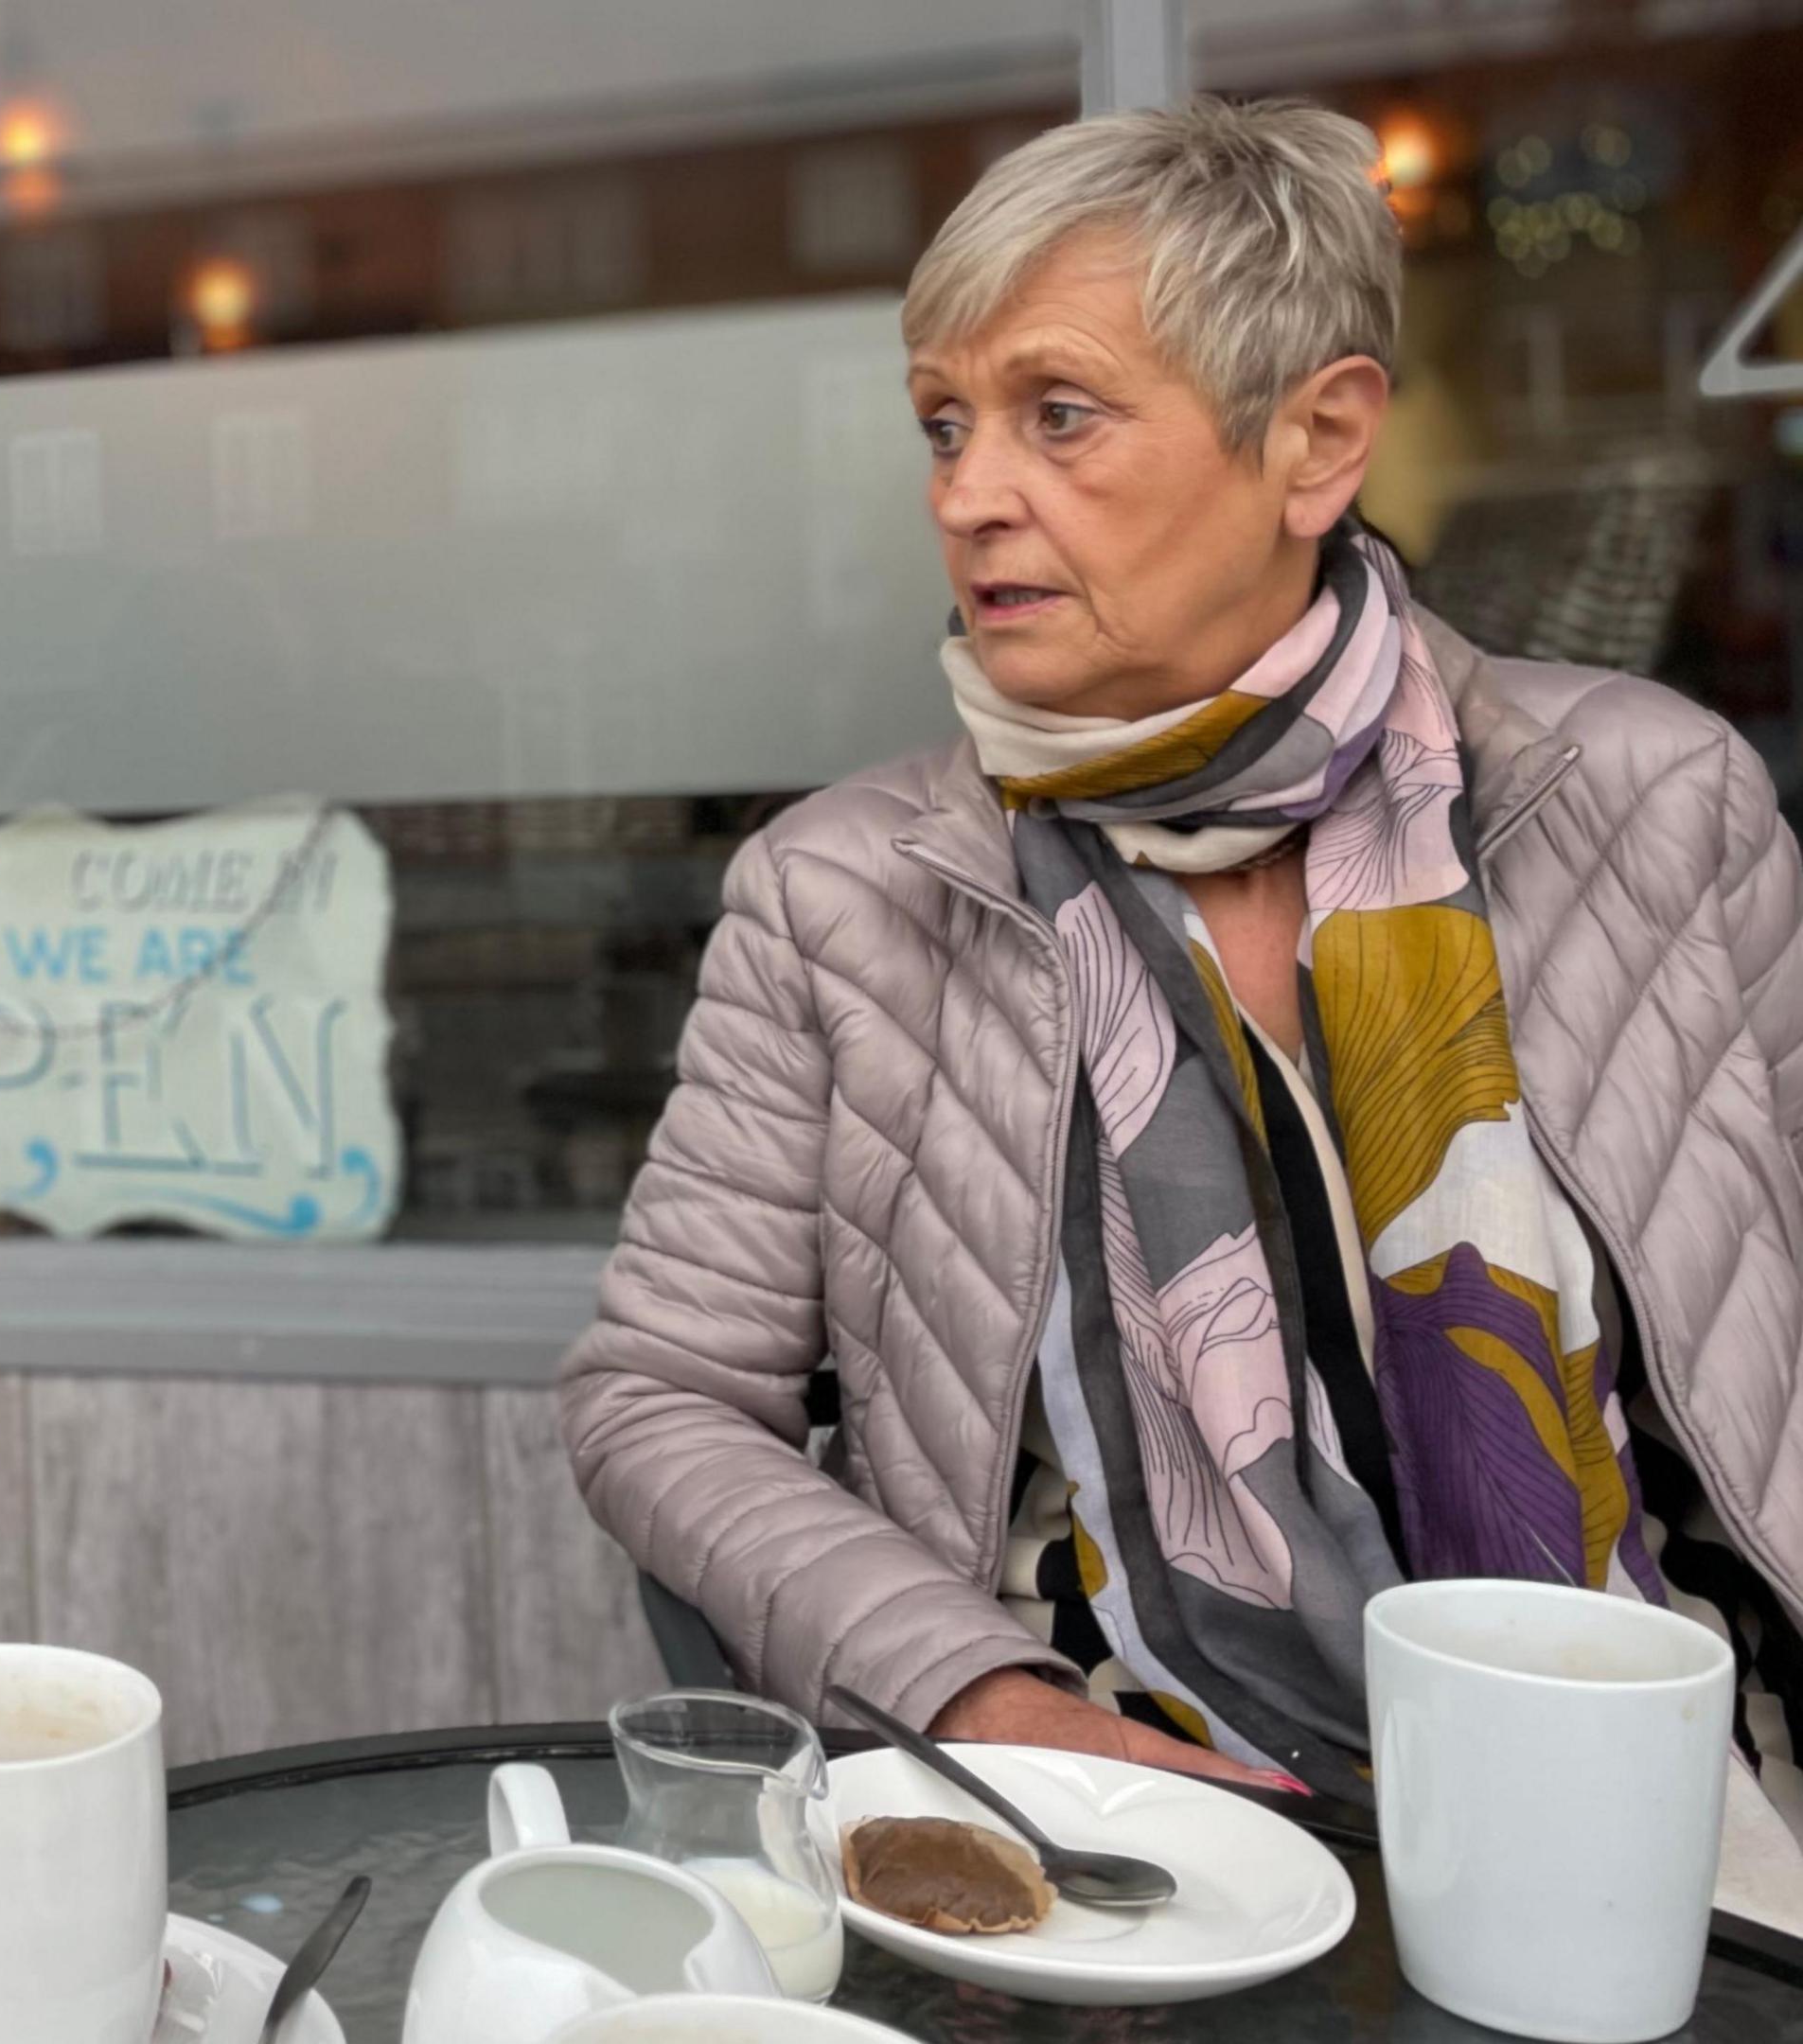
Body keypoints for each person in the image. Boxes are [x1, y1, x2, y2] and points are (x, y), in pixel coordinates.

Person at [561, 100, 1803, 1804]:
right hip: (1115, 1786)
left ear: (1317, 441)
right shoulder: (837, 895)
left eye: (1057, 416)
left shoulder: (1652, 802)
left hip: (1646, 1749)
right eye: (944, 425)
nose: (970, 497)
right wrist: (983, 1699)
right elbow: (661, 1398)